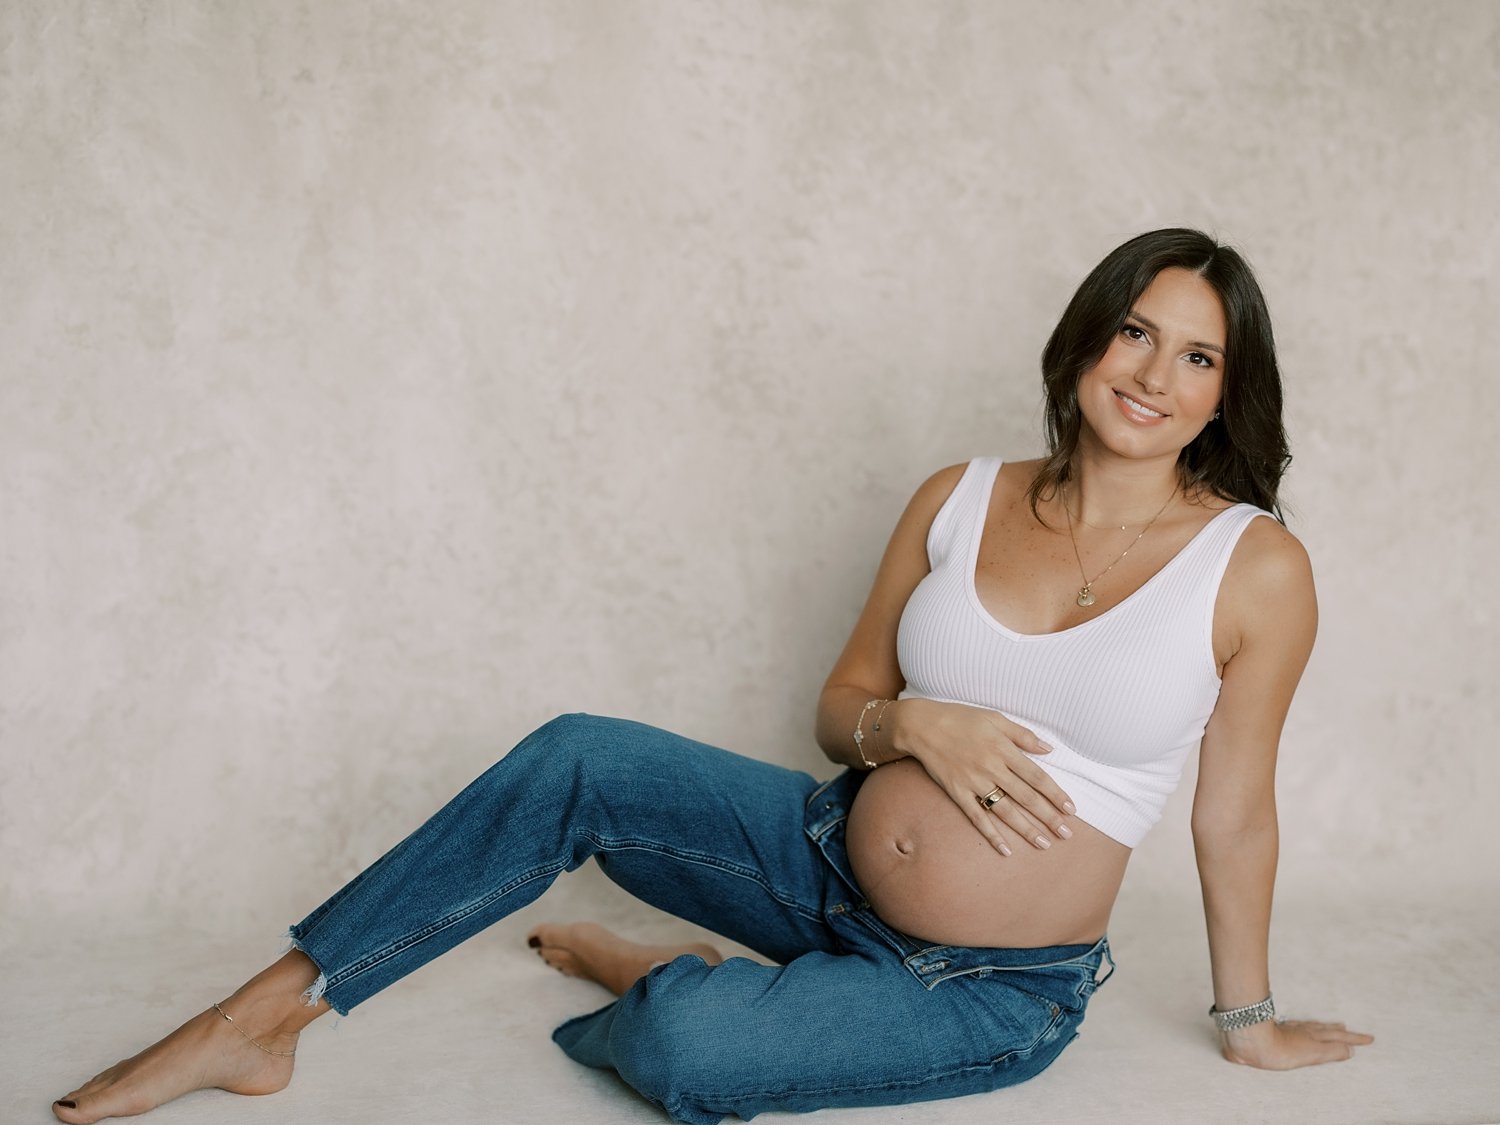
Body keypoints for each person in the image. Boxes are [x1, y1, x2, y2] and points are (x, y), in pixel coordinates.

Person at [51, 228, 1373, 1125]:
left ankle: (658, 975)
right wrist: (914, 722)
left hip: (985, 982)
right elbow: (838, 704)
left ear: (1225, 393)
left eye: (1195, 355)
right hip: (818, 859)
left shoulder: (1253, 568)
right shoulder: (959, 496)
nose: (1152, 373)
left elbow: (1233, 809)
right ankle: (259, 1015)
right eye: (1135, 333)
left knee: (695, 1051)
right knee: (577, 749)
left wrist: (1245, 1015)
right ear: (1087, 341)